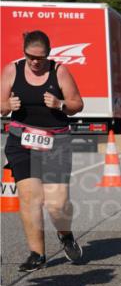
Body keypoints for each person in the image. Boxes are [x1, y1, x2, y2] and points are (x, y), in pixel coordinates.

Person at [0, 30, 85, 271]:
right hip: (22, 142)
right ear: (24, 52)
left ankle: (65, 235)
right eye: (31, 57)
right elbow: (1, 105)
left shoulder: (59, 71)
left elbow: (77, 104)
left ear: (48, 54)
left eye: (41, 57)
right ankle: (37, 254)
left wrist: (60, 104)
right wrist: (6, 105)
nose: (36, 62)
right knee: (30, 198)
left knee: (57, 205)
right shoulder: (12, 70)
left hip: (56, 142)